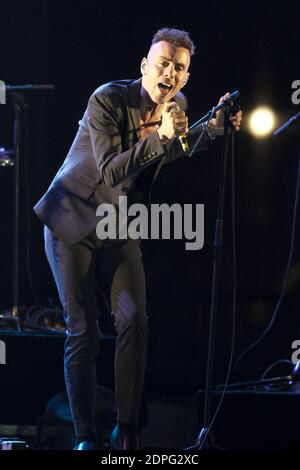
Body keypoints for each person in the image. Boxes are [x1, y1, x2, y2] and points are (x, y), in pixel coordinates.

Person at [34, 27, 242, 450]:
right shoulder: (107, 100)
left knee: (133, 319)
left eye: (179, 68)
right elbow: (111, 169)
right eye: (163, 63)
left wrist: (213, 129)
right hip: (71, 220)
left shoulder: (178, 105)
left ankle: (127, 432)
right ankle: (85, 437)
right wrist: (161, 136)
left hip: (117, 226)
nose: (170, 72)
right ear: (145, 66)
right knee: (83, 331)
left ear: (185, 79)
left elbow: (176, 147)